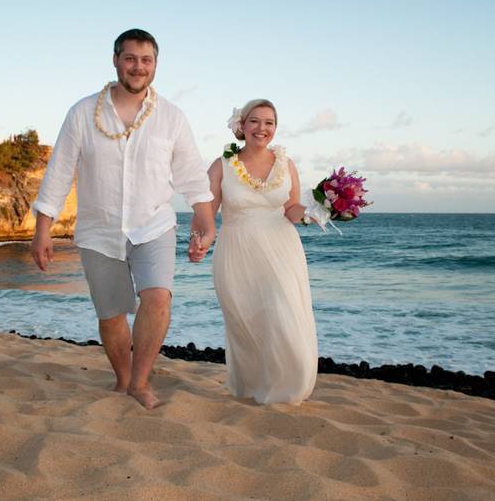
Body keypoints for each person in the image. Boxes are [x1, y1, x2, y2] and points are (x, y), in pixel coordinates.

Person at [30, 29, 216, 410]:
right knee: (112, 313)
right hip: (99, 230)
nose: (138, 67)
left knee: (158, 298)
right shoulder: (83, 113)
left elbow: (190, 173)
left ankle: (141, 382)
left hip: (154, 224)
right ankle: (123, 381)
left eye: (146, 60)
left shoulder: (171, 117)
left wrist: (205, 219)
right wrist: (42, 229)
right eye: (130, 58)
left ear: (155, 66)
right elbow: (60, 171)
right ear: (115, 60)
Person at [207, 99, 318, 404]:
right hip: (237, 250)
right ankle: (253, 387)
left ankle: (288, 389)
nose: (262, 128)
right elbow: (206, 210)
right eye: (254, 121)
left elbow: (291, 208)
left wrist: (316, 211)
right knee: (248, 322)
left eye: (269, 122)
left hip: (281, 248)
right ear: (241, 126)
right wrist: (199, 237)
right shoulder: (222, 165)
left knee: (284, 314)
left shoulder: (287, 163)